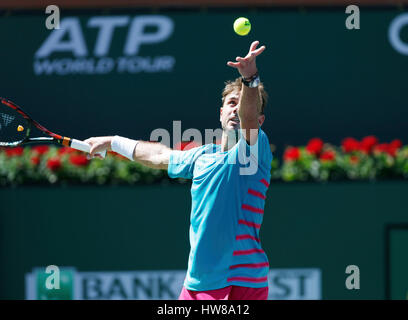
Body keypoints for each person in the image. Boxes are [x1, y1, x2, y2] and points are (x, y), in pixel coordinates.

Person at [85, 40, 272, 300]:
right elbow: (160, 155)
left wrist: (250, 79)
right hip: (204, 280)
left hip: (240, 280)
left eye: (241, 106)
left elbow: (248, 118)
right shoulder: (201, 157)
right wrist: (114, 142)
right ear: (220, 113)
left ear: (259, 120)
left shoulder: (255, 148)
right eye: (231, 103)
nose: (236, 110)